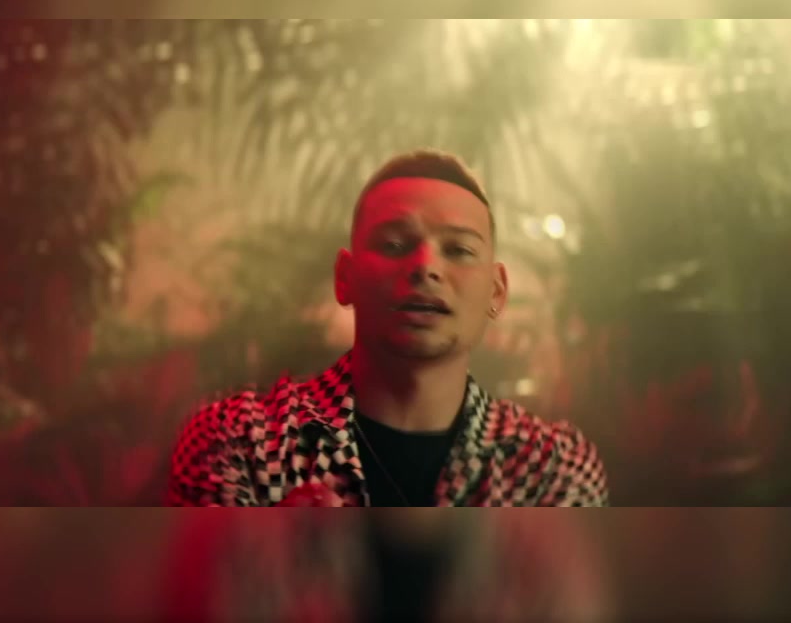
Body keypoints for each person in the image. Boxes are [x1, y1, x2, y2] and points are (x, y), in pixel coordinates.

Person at [166, 149, 608, 508]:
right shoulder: (240, 442)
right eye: (395, 244)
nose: (426, 266)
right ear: (345, 278)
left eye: (458, 250)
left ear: (496, 291)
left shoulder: (551, 467)